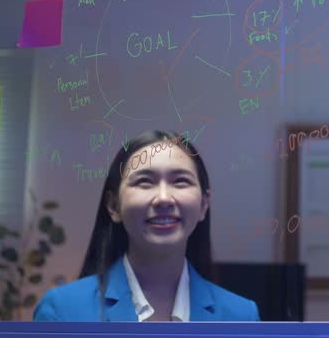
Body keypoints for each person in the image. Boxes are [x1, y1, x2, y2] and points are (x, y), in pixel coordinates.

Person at [34, 130, 260, 322]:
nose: (163, 198)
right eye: (145, 182)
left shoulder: (241, 315)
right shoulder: (62, 310)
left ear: (203, 204)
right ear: (113, 206)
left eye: (180, 181)